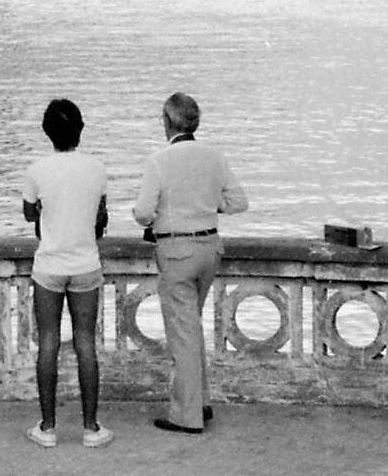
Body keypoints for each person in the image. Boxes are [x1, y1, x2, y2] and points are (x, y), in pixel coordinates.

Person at [132, 92, 248, 434]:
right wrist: (207, 207)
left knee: (182, 334)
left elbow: (142, 213)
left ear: (167, 122)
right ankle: (201, 401)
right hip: (209, 247)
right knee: (191, 328)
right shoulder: (215, 157)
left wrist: (159, 216)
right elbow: (238, 202)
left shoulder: (159, 160)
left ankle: (186, 416)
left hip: (176, 251)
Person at [21, 100, 112, 448]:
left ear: (47, 132)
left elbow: (29, 214)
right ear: (80, 129)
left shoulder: (37, 170)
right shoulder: (97, 168)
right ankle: (91, 428)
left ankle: (47, 428)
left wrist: (43, 208)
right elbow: (100, 217)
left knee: (48, 343)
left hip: (49, 266)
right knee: (86, 343)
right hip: (86, 264)